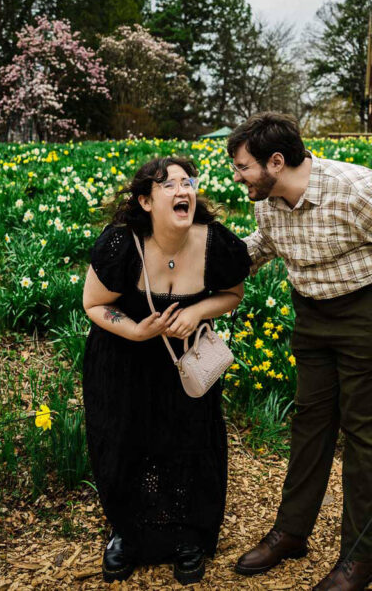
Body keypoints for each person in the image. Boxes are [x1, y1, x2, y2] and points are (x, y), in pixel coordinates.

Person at [228, 112, 372, 591]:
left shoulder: (354, 188)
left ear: (275, 162)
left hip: (370, 308)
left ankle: (358, 560)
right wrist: (208, 258)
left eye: (242, 167)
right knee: (310, 421)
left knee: (367, 436)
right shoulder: (269, 201)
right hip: (313, 313)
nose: (236, 177)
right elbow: (267, 242)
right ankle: (291, 532)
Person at [81, 156, 250, 585]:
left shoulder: (215, 242)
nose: (183, 191)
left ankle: (188, 535)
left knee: (191, 441)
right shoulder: (122, 244)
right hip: (123, 360)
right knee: (124, 442)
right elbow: (94, 305)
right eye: (169, 184)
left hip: (187, 362)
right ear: (144, 200)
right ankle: (127, 533)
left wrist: (198, 313)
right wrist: (136, 330)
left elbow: (233, 294)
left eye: (188, 182)